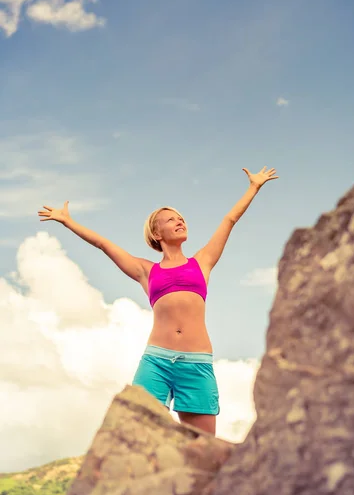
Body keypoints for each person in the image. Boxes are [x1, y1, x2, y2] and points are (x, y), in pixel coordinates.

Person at [38, 165, 278, 435]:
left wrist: (253, 187)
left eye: (181, 218)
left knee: (200, 445)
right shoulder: (146, 271)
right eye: (170, 219)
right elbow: (103, 244)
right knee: (138, 432)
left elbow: (229, 220)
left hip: (196, 363)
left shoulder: (202, 262)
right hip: (156, 362)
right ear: (156, 233)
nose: (179, 221)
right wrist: (68, 222)